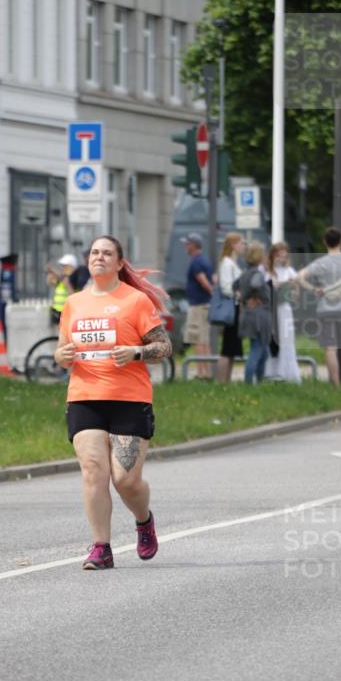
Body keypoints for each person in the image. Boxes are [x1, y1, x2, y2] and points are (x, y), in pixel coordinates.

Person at [54, 235, 172, 571]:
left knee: (125, 480)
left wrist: (136, 352)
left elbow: (164, 347)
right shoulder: (74, 303)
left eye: (107, 253)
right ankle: (101, 548)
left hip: (128, 399)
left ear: (120, 263)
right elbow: (62, 352)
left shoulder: (135, 301)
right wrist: (61, 355)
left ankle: (143, 520)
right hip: (84, 397)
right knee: (93, 472)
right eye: (94, 253)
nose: (99, 257)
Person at [297, 227, 341, 386]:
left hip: (325, 309)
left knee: (330, 348)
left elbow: (300, 277)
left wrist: (313, 289)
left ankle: (335, 384)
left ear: (325, 242)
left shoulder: (320, 263)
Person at [264, 242, 301, 384]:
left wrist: (292, 288)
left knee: (286, 339)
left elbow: (296, 293)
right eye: (279, 255)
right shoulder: (267, 271)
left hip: (284, 308)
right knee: (272, 338)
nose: (282, 258)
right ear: (273, 255)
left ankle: (287, 372)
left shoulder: (289, 270)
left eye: (284, 255)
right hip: (270, 309)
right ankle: (271, 372)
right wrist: (272, 286)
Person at [237, 241, 272, 384]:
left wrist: (244, 299)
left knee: (263, 353)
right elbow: (255, 284)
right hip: (259, 316)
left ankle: (259, 381)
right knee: (256, 350)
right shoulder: (257, 273)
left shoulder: (244, 273)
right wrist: (254, 296)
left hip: (249, 315)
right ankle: (249, 383)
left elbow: (235, 286)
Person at [181, 232, 214, 379]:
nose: (185, 246)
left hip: (197, 306)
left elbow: (205, 282)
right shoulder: (205, 260)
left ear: (193, 245)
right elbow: (213, 279)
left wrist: (213, 294)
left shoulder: (196, 262)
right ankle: (206, 371)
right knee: (204, 339)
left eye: (187, 244)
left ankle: (202, 373)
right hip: (205, 305)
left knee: (197, 339)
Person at [215, 232, 245, 383]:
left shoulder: (232, 263)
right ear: (233, 245)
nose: (243, 246)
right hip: (232, 308)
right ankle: (221, 381)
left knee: (232, 348)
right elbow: (226, 287)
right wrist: (239, 294)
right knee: (227, 348)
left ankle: (226, 381)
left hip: (235, 308)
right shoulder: (227, 263)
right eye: (241, 243)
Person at [47, 253, 78, 324]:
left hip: (67, 313)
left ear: (71, 267)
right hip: (55, 311)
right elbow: (50, 282)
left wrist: (68, 285)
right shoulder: (62, 278)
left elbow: (74, 295)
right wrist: (51, 275)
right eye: (63, 266)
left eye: (65, 266)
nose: (63, 268)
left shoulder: (75, 279)